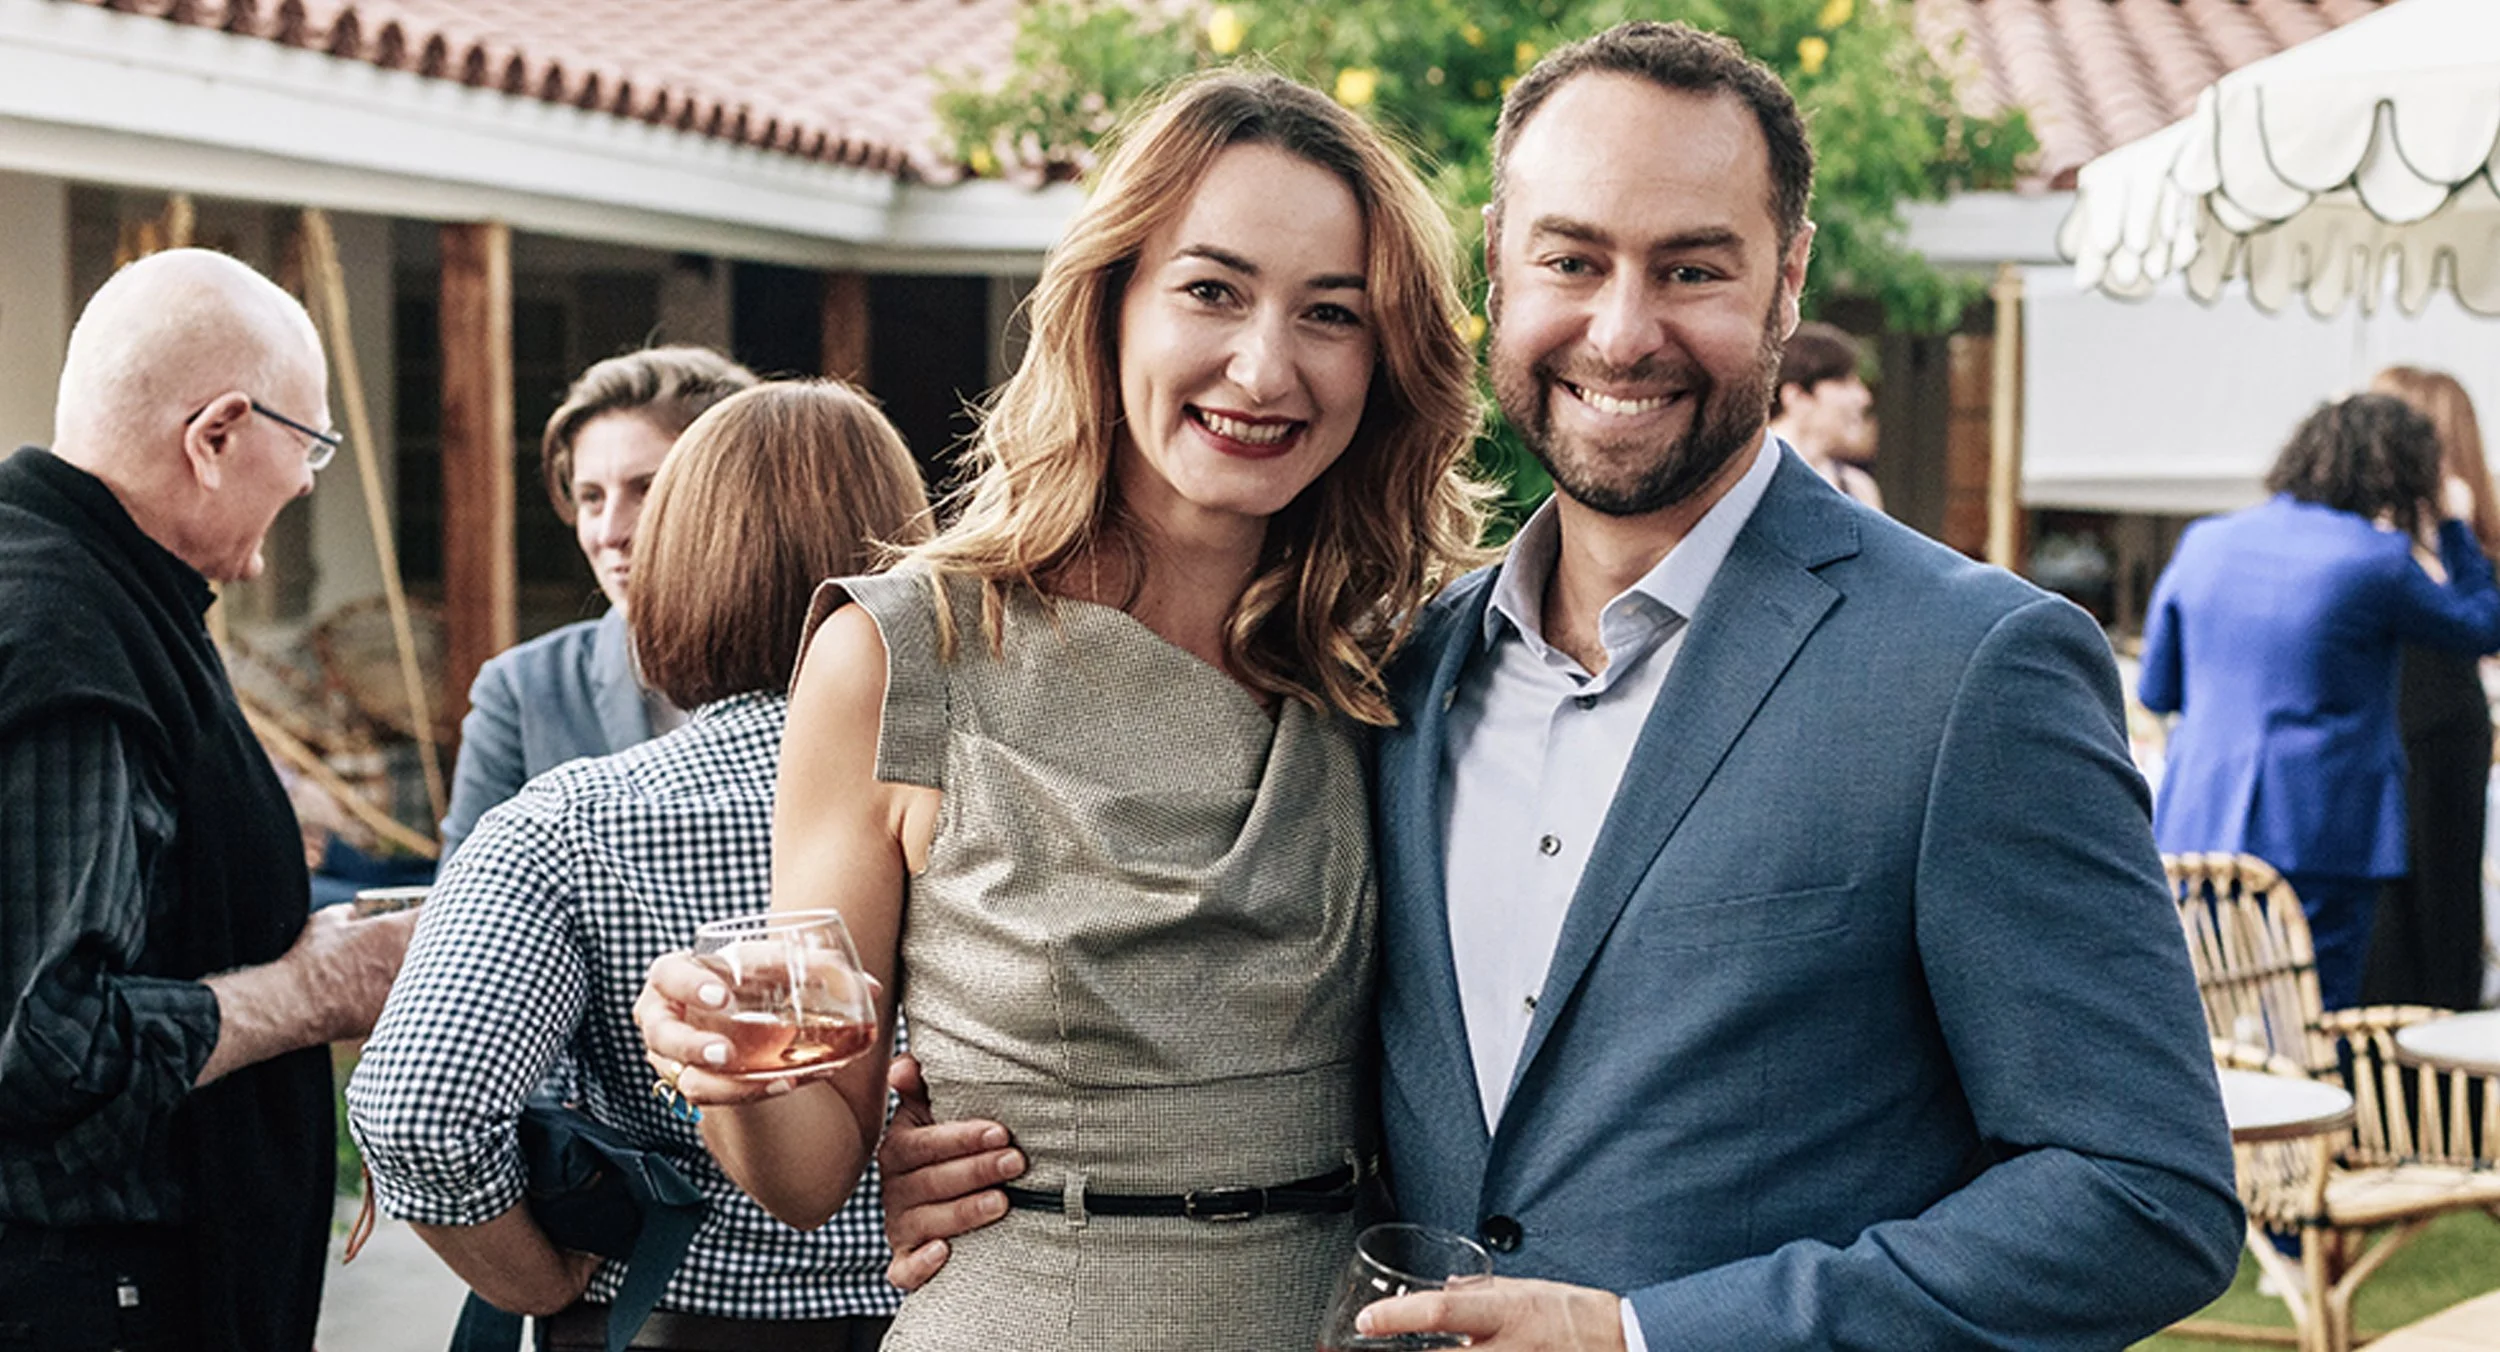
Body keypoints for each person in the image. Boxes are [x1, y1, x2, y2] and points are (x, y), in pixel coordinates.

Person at [883, 23, 2244, 1351]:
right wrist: (996, 1159)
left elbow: (2144, 1196)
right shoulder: (1391, 674)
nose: (1623, 329)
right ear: (1497, 267)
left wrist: (1647, 1333)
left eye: (1692, 268)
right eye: (1572, 260)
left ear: (1788, 279)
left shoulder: (1972, 671)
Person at [633, 70, 1488, 1350]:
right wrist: (725, 1059)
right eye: (1211, 290)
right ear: (1108, 302)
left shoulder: (1399, 658)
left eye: (1331, 312)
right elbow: (808, 1172)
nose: (1265, 366)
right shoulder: (899, 656)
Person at [349, 380, 931, 1350]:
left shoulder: (568, 823)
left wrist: (537, 1280)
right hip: (956, 1304)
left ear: (673, 570)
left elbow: (419, 1110)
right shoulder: (1002, 809)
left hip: (668, 1310)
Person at [0, 248, 417, 1352]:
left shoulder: (74, 585)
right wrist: (313, 992)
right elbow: (44, 1047)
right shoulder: (65, 639)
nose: (311, 480)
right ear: (218, 434)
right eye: (310, 442)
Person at [2144, 392, 2500, 1012]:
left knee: (2202, 1004)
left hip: (2197, 820)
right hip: (2321, 828)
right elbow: (2481, 625)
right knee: (2312, 1013)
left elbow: (2158, 690)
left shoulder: (2205, 541)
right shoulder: (2376, 559)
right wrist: (2450, 524)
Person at [437, 345, 757, 859]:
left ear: (740, 498)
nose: (609, 533)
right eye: (591, 497)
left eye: (646, 489)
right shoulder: (524, 692)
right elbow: (461, 897)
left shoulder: (819, 676)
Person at [2366, 365, 2500, 1011]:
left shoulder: (2456, 540)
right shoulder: (2373, 538)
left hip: (2440, 736)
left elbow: (2483, 628)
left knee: (2441, 902)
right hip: (2407, 734)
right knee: (2401, 906)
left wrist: (2453, 527)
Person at [1767, 319, 1881, 510]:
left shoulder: (1857, 489)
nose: (1864, 398)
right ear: (1796, 396)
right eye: (1844, 383)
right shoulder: (1739, 480)